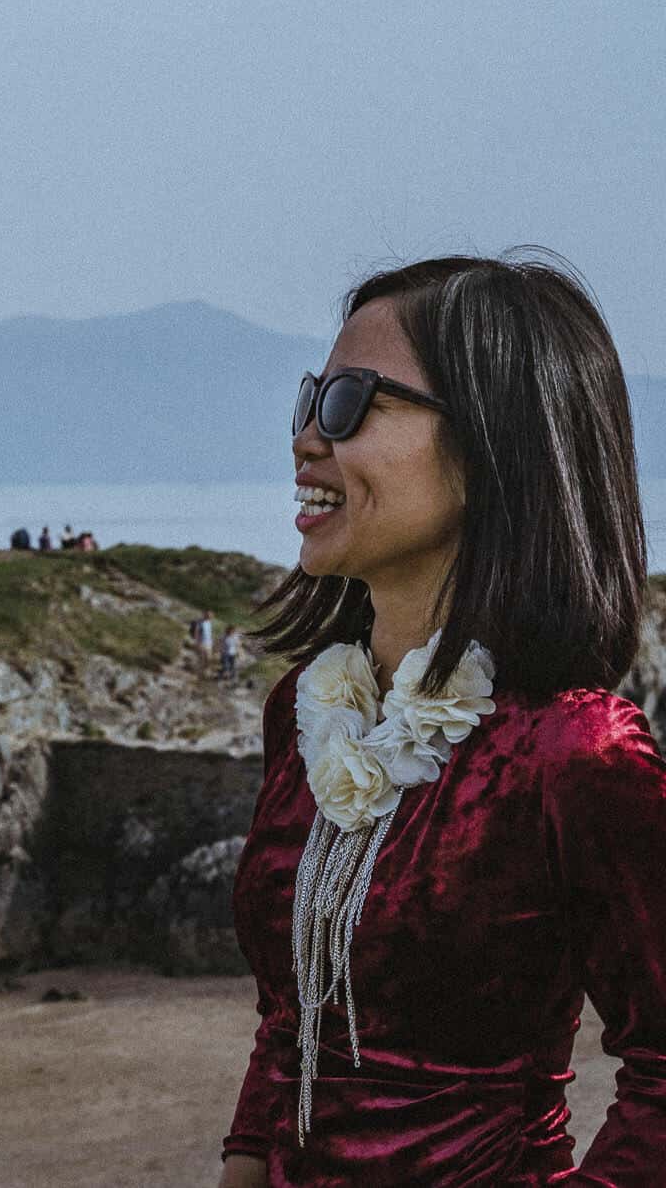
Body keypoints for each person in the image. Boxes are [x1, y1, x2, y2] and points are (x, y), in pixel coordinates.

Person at [219, 253, 664, 1185]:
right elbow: (289, 1024)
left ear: (493, 445)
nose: (305, 436)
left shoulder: (577, 753)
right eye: (309, 398)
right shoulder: (305, 716)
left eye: (348, 404)